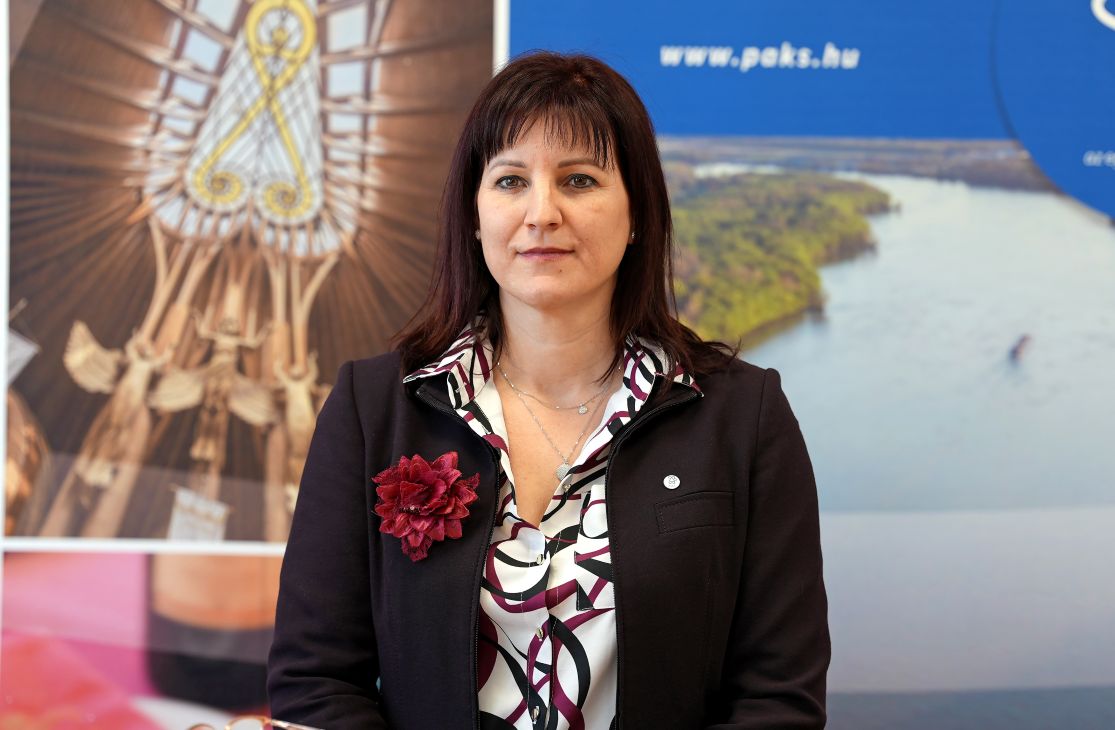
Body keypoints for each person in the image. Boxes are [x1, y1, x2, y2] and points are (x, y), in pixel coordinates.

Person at [267, 51, 829, 729]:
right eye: (510, 180)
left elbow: (778, 697)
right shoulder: (375, 407)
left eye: (579, 180)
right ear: (475, 215)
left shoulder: (742, 416)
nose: (542, 213)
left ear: (638, 213)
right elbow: (316, 677)